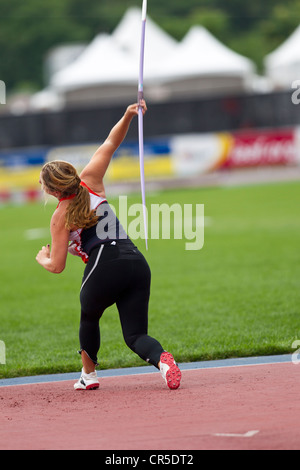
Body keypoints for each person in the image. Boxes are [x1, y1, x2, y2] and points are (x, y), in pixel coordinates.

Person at [36, 101, 181, 391]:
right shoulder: (91, 180)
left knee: (89, 316)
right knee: (136, 335)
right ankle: (163, 360)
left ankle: (88, 376)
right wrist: (128, 115)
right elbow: (111, 142)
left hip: (104, 262)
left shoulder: (59, 217)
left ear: (52, 190)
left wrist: (43, 257)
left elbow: (57, 266)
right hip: (135, 261)